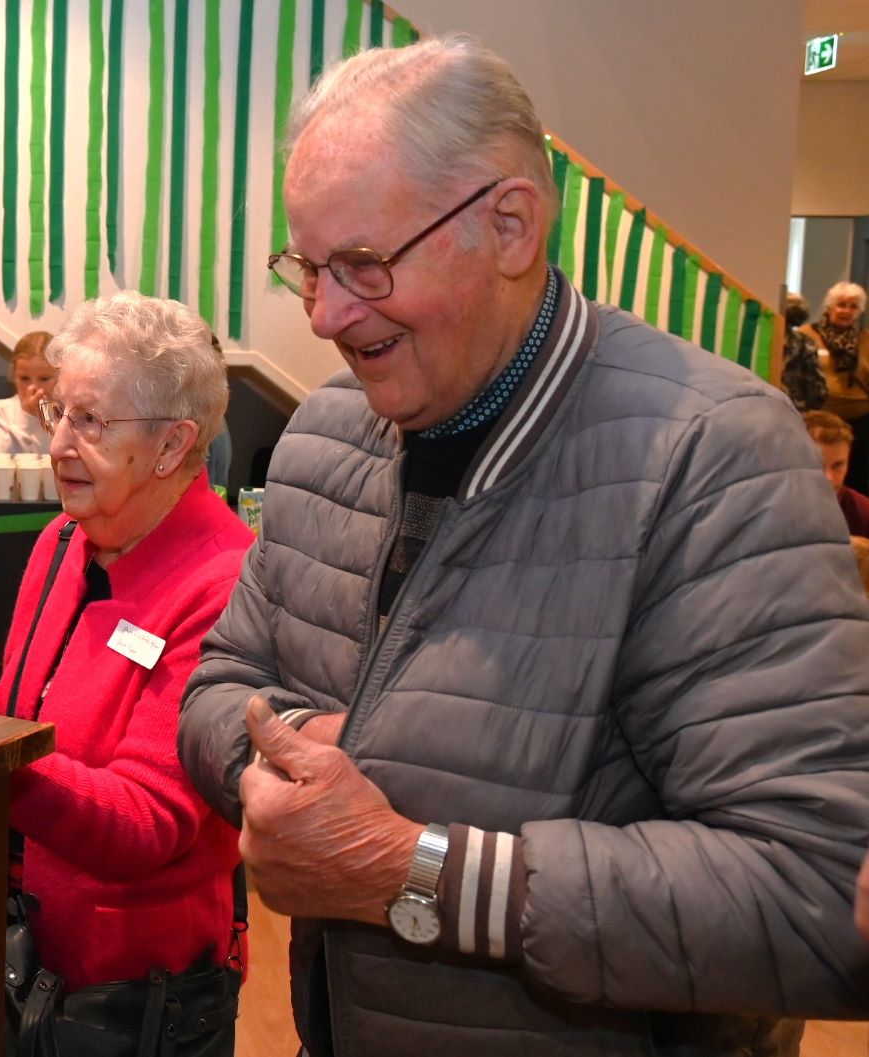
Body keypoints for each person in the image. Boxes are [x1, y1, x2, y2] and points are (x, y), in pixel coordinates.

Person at [177, 36, 869, 1057]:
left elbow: (815, 897)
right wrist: (266, 773)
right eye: (309, 269)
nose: (325, 315)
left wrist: (414, 869)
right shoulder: (324, 434)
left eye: (365, 265)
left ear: (510, 224)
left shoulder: (710, 454)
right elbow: (218, 680)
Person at [0, 292, 251, 1046]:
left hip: (136, 999)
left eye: (91, 421)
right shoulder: (60, 542)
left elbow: (146, 823)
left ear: (173, 446)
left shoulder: (227, 581)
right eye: (57, 413)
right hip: (18, 957)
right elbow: (16, 711)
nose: (58, 444)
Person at [803, 281, 869, 492]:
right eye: (841, 304)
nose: (846, 311)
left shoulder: (865, 340)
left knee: (856, 479)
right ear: (829, 306)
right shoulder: (807, 335)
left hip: (860, 420)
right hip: (820, 419)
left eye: (853, 306)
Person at [0, 330, 57, 454]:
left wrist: (48, 413)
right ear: (14, 376)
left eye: (44, 379)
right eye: (25, 378)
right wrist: (26, 416)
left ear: (60, 376)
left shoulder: (68, 413)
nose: (34, 387)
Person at [804, 410, 869, 536]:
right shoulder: (766, 508)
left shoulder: (863, 515)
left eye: (838, 465)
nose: (829, 478)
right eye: (818, 465)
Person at [780, 292, 825, 412]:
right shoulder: (805, 342)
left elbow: (815, 384)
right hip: (794, 408)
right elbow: (817, 385)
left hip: (793, 407)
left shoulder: (804, 343)